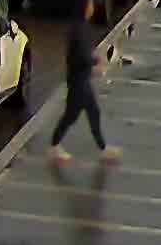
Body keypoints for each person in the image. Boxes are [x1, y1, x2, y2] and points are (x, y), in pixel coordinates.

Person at [48, 11, 116, 163]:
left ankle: (102, 148)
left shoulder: (80, 27)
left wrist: (94, 63)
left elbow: (82, 54)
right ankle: (55, 145)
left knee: (85, 114)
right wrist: (95, 62)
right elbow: (80, 55)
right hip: (78, 82)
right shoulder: (78, 29)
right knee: (75, 115)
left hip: (80, 80)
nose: (92, 7)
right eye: (90, 3)